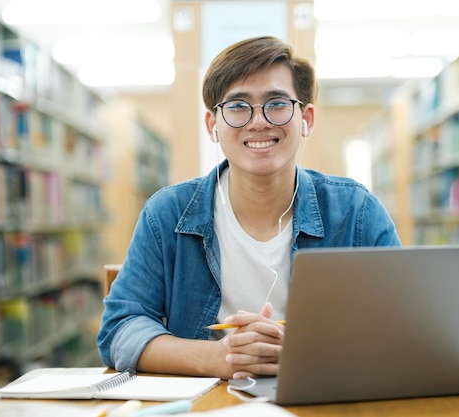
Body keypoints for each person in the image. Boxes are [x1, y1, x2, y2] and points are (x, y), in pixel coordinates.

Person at [97, 36, 401, 381]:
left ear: (307, 118)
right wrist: (219, 357)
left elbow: (400, 325)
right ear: (213, 125)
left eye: (276, 103)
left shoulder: (357, 211)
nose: (258, 122)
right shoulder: (167, 214)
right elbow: (119, 330)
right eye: (239, 106)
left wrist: (308, 353)